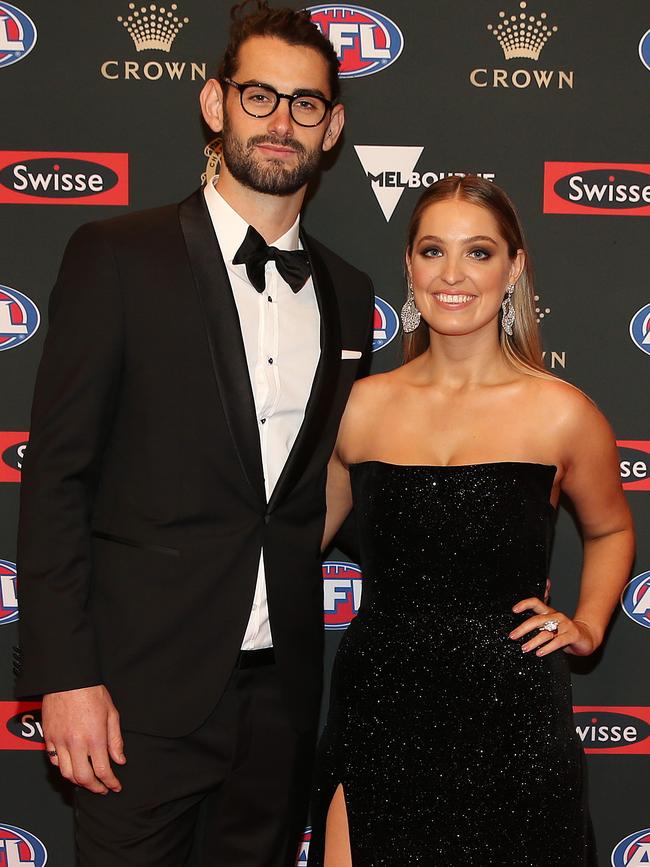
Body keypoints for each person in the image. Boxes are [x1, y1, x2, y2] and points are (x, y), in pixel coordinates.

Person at [14, 3, 374, 864]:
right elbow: (57, 479)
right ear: (214, 104)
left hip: (280, 700)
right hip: (137, 697)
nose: (282, 122)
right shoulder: (116, 255)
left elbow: (336, 487)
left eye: (306, 104)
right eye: (260, 96)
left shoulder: (349, 293)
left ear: (333, 128)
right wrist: (65, 677)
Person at [308, 176, 634, 866]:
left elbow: (610, 528)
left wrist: (590, 623)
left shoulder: (561, 411)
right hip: (380, 713)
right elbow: (296, 538)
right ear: (410, 265)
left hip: (512, 717)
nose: (452, 274)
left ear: (514, 268)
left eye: (478, 253)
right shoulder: (361, 405)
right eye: (433, 250)